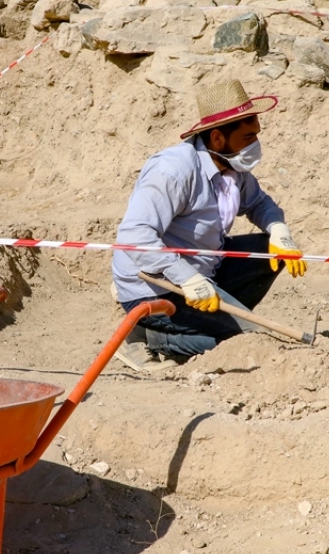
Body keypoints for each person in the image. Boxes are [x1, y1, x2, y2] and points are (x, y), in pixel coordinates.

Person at [111, 79, 309, 372]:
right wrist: (187, 279)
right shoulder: (174, 171)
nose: (255, 144)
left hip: (205, 269)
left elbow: (259, 204)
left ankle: (221, 320)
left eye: (257, 135)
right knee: (249, 342)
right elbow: (135, 236)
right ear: (217, 138)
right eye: (248, 137)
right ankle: (149, 336)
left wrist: (279, 231)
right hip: (156, 287)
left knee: (270, 253)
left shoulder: (231, 166)